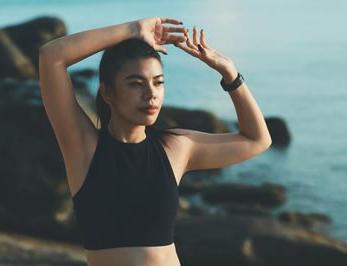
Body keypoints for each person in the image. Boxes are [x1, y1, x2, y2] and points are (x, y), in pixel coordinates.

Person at [38, 17, 272, 266]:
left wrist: (230, 74)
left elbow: (257, 139)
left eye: (158, 82)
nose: (151, 94)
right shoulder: (85, 148)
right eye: (136, 84)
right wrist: (133, 30)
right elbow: (51, 56)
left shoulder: (175, 148)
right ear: (108, 92)